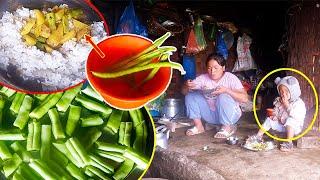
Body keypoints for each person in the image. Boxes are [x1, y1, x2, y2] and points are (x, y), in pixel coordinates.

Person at [182, 53, 248, 138]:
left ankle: (227, 127)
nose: (212, 71)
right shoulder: (203, 78)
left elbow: (245, 99)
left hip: (231, 116)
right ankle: (199, 126)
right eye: (209, 68)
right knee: (190, 96)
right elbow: (184, 92)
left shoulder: (230, 78)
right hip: (211, 116)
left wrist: (227, 90)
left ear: (223, 68)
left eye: (216, 68)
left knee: (223, 96)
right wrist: (187, 85)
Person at [247, 76, 306, 152]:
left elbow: (296, 116)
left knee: (291, 120)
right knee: (269, 120)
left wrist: (287, 105)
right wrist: (275, 115)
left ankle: (289, 143)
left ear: (293, 91)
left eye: (286, 92)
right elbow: (277, 111)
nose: (283, 94)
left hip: (294, 128)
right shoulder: (280, 101)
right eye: (281, 92)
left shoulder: (299, 103)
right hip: (282, 126)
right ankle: (258, 137)